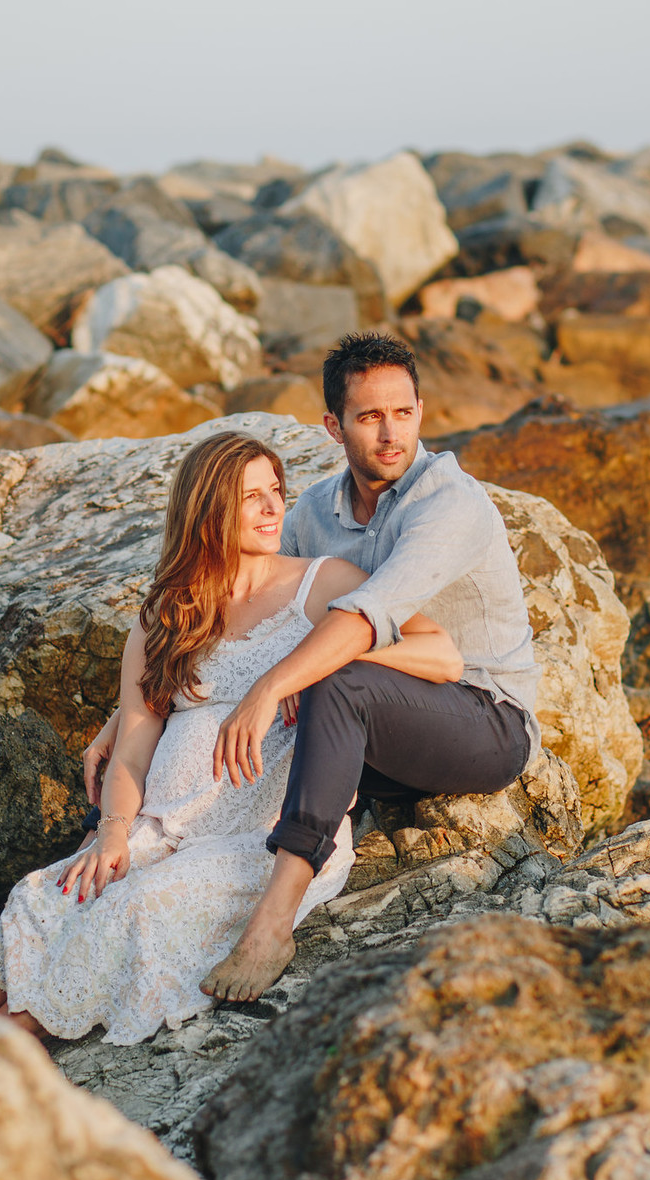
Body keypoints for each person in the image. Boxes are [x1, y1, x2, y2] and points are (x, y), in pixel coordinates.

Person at [0, 430, 464, 1043]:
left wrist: (326, 666)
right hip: (159, 828)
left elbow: (441, 654)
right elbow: (133, 746)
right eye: (252, 498)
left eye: (277, 491)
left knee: (133, 910)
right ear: (209, 509)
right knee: (42, 899)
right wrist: (111, 834)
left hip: (257, 839)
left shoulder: (320, 584)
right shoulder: (166, 613)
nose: (275, 509)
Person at [80, 331, 540, 1006]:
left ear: (421, 411)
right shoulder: (315, 513)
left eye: (404, 413)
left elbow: (364, 618)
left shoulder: (448, 504)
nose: (391, 434)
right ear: (334, 426)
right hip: (362, 724)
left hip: (478, 716)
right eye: (369, 417)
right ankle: (75, 895)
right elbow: (242, 630)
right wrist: (128, 712)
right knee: (221, 723)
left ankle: (275, 917)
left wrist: (274, 687)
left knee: (324, 681)